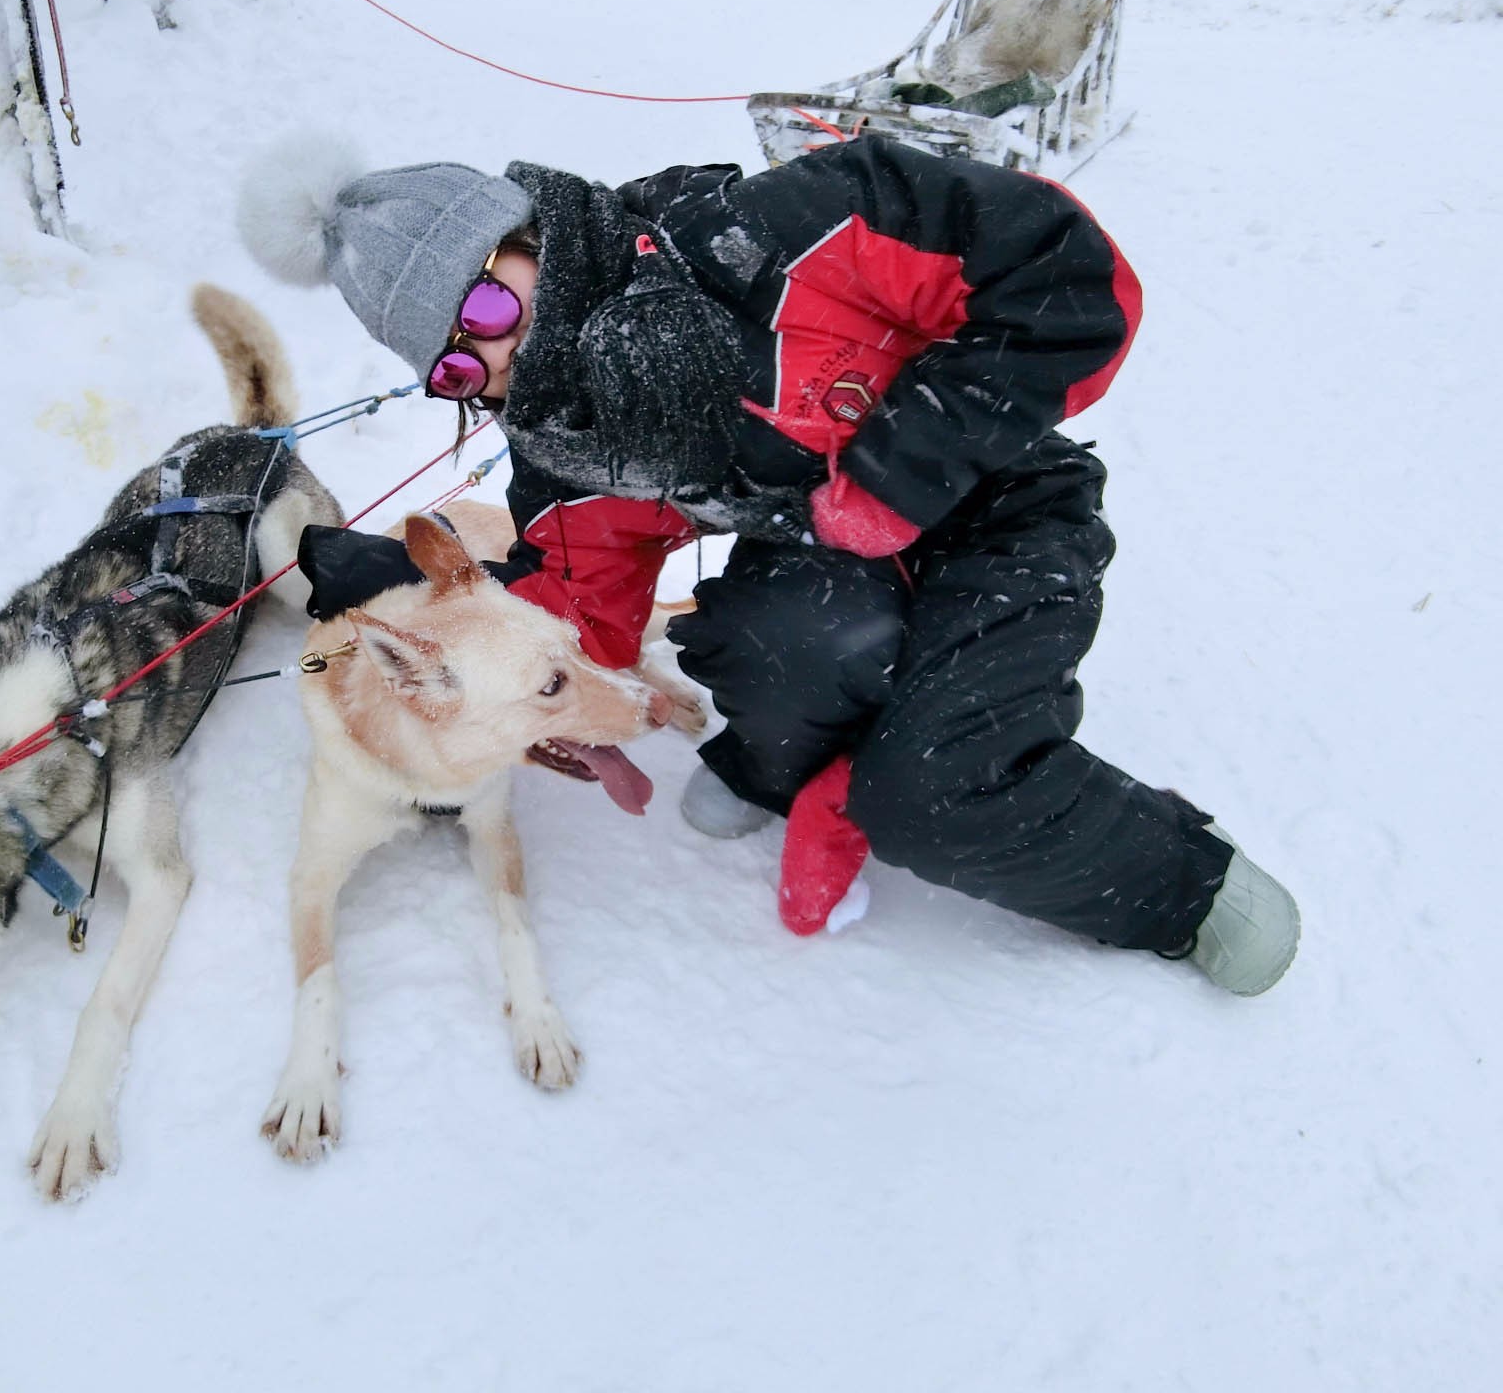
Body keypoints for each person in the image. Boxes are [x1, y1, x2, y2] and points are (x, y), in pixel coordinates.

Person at [236, 133, 1300, 995]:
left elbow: (1072, 283)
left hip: (1005, 506)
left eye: (486, 309)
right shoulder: (569, 438)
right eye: (461, 363)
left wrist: (900, 466)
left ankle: (1182, 886)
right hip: (832, 555)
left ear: (528, 233)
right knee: (758, 640)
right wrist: (419, 641)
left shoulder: (782, 233)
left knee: (931, 790)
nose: (499, 358)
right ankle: (804, 771)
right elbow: (571, 618)